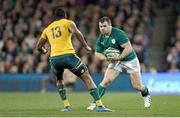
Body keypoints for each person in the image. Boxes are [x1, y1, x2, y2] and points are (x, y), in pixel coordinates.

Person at [36, 8, 112, 112]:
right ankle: (99, 105)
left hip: (54, 59)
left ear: (55, 17)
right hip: (68, 56)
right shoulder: (68, 23)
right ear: (65, 15)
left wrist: (44, 51)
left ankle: (66, 106)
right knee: (87, 78)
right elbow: (77, 33)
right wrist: (85, 46)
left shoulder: (47, 29)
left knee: (59, 80)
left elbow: (38, 46)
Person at [87, 16, 151, 110]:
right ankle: (95, 103)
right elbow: (97, 53)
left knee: (137, 86)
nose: (102, 28)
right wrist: (106, 58)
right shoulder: (101, 38)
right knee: (105, 81)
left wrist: (119, 57)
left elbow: (129, 48)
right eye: (100, 26)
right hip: (116, 61)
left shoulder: (119, 33)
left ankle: (146, 94)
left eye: (104, 26)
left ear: (110, 25)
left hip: (130, 60)